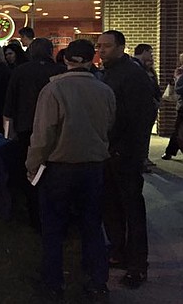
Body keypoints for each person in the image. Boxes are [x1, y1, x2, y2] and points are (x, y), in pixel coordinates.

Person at [26, 39, 116, 302]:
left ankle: (53, 282)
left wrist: (32, 166)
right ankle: (98, 282)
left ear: (65, 59)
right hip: (93, 166)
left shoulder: (53, 91)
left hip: (60, 168)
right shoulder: (105, 90)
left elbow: (42, 135)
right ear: (91, 60)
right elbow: (109, 125)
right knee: (91, 224)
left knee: (53, 227)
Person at [97, 30, 155, 288]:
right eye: (99, 46)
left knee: (132, 209)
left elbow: (140, 118)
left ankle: (137, 265)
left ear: (121, 47)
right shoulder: (108, 73)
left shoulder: (132, 75)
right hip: (108, 151)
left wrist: (128, 150)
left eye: (107, 46)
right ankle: (119, 251)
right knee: (111, 206)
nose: (101, 50)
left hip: (126, 154)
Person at [3, 38, 66, 230]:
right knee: (55, 171)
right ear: (50, 51)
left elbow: (9, 103)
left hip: (26, 127)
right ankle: (56, 214)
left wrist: (8, 132)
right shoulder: (60, 71)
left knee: (31, 171)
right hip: (56, 128)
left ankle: (34, 215)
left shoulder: (20, 71)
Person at [132, 43, 161, 171]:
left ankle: (144, 157)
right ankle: (141, 160)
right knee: (140, 135)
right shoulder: (135, 68)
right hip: (142, 108)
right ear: (144, 52)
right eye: (150, 52)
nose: (151, 55)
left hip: (150, 107)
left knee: (145, 134)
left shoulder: (147, 68)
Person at [162, 52, 183, 160]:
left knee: (178, 130)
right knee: (178, 130)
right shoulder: (180, 72)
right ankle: (170, 151)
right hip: (182, 106)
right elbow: (179, 89)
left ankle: (170, 151)